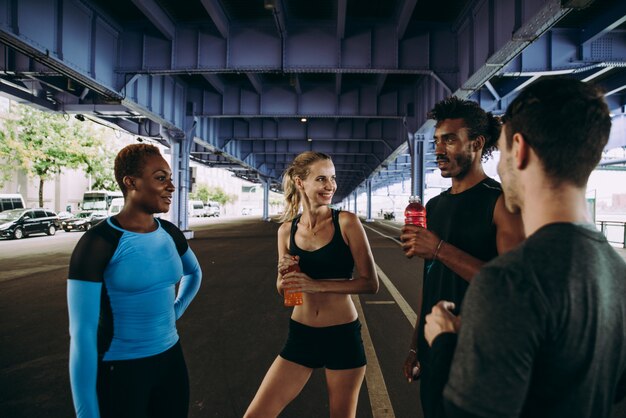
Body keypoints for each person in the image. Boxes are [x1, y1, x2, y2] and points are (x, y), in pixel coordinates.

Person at [424, 77, 626, 417]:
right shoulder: (617, 273)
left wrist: (445, 342)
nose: (500, 165)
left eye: (501, 152)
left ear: (520, 150)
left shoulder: (508, 280)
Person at [399, 97, 525, 417]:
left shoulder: (500, 204)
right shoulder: (434, 207)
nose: (439, 150)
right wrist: (417, 345)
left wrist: (439, 249)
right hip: (434, 348)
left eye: (451, 139)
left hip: (481, 354)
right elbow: (431, 282)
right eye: (438, 141)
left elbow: (511, 288)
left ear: (477, 144)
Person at [67, 143, 202, 418]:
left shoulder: (170, 233)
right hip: (122, 370)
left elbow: (195, 273)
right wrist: (86, 414)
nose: (172, 187)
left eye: (170, 179)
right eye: (161, 178)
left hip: (171, 362)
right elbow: (82, 336)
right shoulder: (98, 243)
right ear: (131, 182)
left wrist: (175, 311)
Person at [244, 151, 379, 418]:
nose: (330, 186)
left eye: (333, 178)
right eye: (321, 179)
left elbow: (370, 284)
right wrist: (285, 277)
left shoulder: (347, 223)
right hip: (301, 335)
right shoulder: (286, 231)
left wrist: (318, 285)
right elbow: (285, 291)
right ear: (300, 182)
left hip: (342, 336)